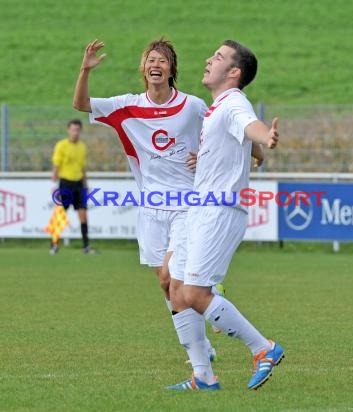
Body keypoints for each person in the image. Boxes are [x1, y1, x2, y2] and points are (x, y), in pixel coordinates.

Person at [72, 38, 264, 359]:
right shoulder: (127, 106)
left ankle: (207, 315)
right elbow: (81, 104)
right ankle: (202, 349)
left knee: (170, 277)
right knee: (165, 286)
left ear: (172, 69)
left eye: (162, 60)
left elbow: (228, 129)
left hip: (187, 206)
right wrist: (85, 69)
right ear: (143, 69)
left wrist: (253, 152)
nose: (155, 65)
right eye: (150, 60)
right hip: (150, 208)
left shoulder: (192, 106)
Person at [167, 40, 283, 391]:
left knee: (197, 293)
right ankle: (203, 376)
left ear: (234, 72)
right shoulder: (218, 108)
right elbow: (248, 142)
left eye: (217, 58)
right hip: (199, 208)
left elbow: (250, 126)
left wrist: (267, 135)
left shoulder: (233, 102)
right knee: (176, 289)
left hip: (219, 210)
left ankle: (263, 348)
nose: (208, 59)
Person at [50, 119, 96, 255]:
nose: (75, 132)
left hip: (78, 184)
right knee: (60, 214)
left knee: (83, 215)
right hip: (65, 183)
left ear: (80, 131)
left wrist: (86, 185)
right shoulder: (61, 145)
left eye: (77, 130)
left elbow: (82, 167)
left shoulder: (82, 147)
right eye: (73, 129)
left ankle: (86, 246)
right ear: (68, 130)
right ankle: (53, 245)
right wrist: (53, 184)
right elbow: (56, 166)